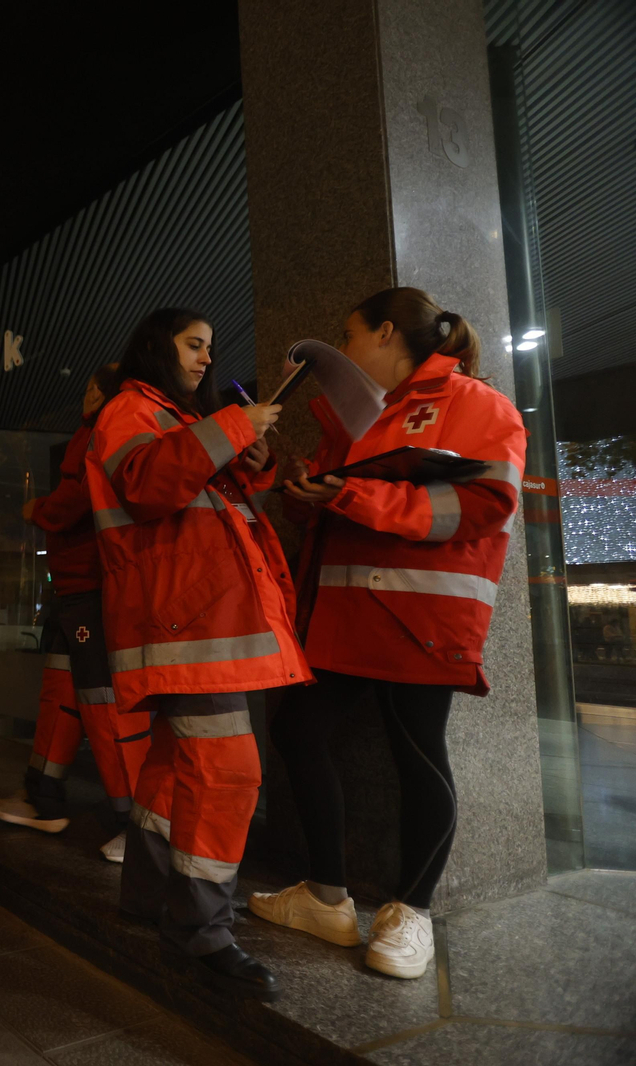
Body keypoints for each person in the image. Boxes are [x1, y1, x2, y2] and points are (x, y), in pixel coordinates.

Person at [250, 288, 525, 980]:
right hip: (347, 615)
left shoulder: (478, 404)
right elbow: (345, 503)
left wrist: (349, 493)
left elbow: (486, 503)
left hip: (420, 614)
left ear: (385, 333)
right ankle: (327, 897)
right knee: (298, 732)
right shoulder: (358, 416)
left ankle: (413, 911)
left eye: (349, 333)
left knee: (417, 754)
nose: (342, 348)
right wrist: (308, 494)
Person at [86, 308, 310, 1001]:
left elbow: (197, 495)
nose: (208, 359)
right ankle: (201, 930)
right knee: (229, 771)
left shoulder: (171, 417)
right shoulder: (131, 407)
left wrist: (252, 461)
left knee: (173, 766)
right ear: (155, 345)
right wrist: (236, 428)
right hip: (185, 625)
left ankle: (150, 896)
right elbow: (152, 485)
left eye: (211, 348)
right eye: (194, 345)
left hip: (193, 624)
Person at [0, 369, 152, 861]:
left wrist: (39, 509)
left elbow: (76, 500)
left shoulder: (107, 428)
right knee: (64, 694)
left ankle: (136, 825)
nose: (89, 394)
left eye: (94, 387)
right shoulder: (102, 428)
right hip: (79, 586)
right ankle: (43, 796)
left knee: (102, 704)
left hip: (95, 586)